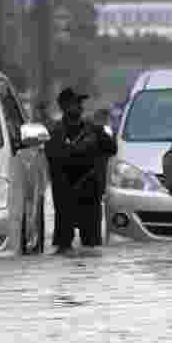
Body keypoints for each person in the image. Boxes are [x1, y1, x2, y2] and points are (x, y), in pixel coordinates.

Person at [45, 88, 118, 254]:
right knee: (63, 247)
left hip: (90, 191)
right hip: (65, 192)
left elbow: (112, 149)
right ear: (64, 106)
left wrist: (101, 131)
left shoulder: (93, 129)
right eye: (75, 103)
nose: (80, 107)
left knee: (91, 248)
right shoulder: (55, 132)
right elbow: (53, 157)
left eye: (80, 104)